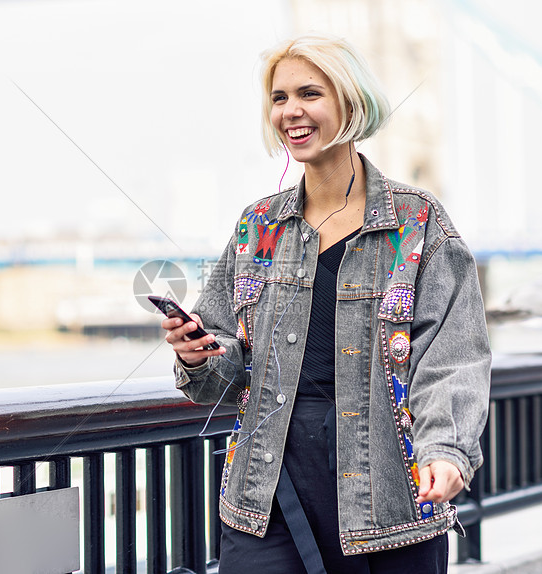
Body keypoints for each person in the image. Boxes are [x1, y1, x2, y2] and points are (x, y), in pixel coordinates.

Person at [161, 33, 491, 574]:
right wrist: (198, 354)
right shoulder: (258, 227)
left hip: (389, 496)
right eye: (279, 97)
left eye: (309, 94)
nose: (290, 110)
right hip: (268, 491)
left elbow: (453, 359)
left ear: (351, 102)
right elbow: (224, 361)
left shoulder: (417, 223)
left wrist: (446, 451)